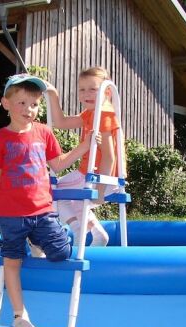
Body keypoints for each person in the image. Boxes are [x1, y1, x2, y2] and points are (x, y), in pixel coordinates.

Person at [0, 73, 96, 327]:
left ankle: (37, 241)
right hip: (11, 215)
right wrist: (1, 211)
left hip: (42, 212)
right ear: (6, 103)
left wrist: (84, 147)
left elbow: (58, 164)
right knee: (12, 262)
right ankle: (19, 315)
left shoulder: (44, 133)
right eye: (22, 103)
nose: (29, 109)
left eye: (34, 104)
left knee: (61, 252)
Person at [45, 67, 124, 246]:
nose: (86, 94)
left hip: (102, 177)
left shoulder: (104, 114)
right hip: (89, 174)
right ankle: (96, 234)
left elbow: (109, 157)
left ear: (107, 92)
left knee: (50, 192)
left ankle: (79, 231)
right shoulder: (91, 113)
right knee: (56, 192)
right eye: (82, 89)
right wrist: (53, 95)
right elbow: (61, 123)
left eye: (93, 89)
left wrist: (101, 191)